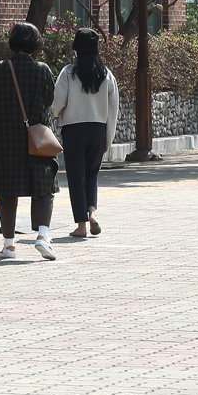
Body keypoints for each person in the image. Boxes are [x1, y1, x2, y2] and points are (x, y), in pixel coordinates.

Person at [0, 22, 59, 261]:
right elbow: (49, 100)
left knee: (5, 190)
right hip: (35, 138)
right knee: (43, 186)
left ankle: (9, 245)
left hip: (6, 138)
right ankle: (42, 236)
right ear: (36, 44)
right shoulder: (43, 70)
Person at [53, 28, 119, 240]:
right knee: (92, 174)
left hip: (74, 129)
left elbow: (57, 104)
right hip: (98, 129)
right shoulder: (106, 74)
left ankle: (81, 225)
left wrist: (57, 114)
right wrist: (108, 138)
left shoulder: (69, 73)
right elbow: (113, 109)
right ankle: (92, 213)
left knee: (76, 176)